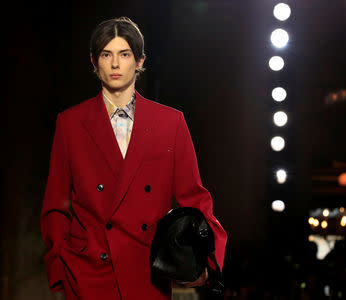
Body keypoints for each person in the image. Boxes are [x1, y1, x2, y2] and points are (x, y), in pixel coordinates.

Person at [40, 17, 227, 300]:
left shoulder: (170, 123)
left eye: (124, 54)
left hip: (146, 274)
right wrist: (58, 268)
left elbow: (195, 197)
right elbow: (55, 204)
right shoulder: (70, 123)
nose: (115, 64)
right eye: (107, 54)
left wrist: (207, 259)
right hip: (86, 273)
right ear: (94, 61)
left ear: (139, 61)